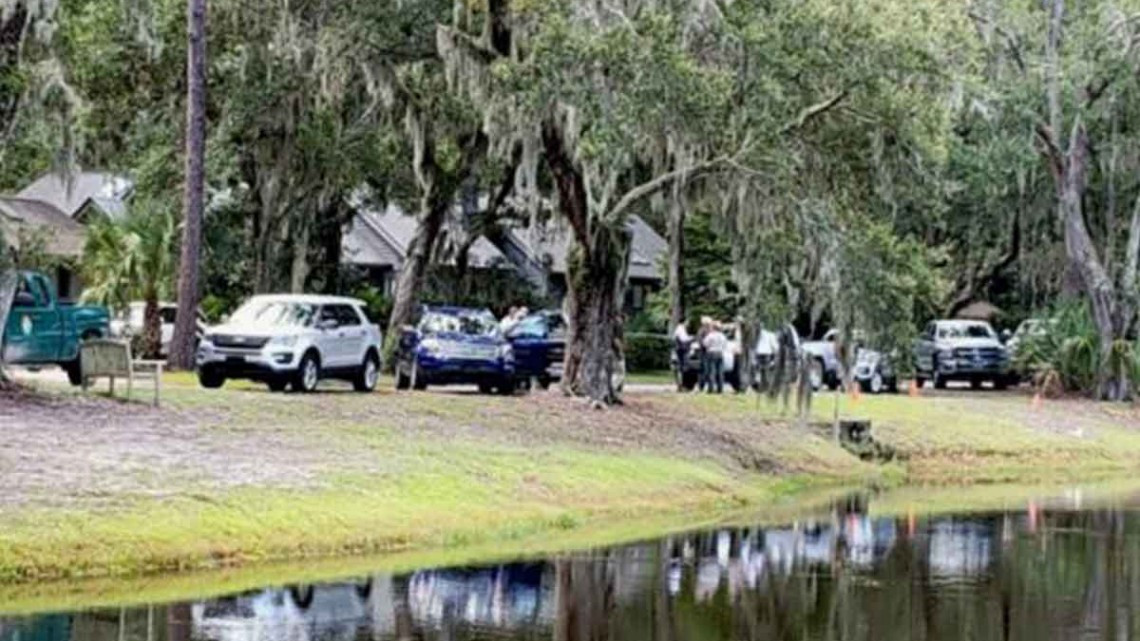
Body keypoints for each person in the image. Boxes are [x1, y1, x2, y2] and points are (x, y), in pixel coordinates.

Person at [703, 321, 728, 394]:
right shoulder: (723, 336)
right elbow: (725, 345)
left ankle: (711, 389)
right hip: (720, 353)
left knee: (712, 371)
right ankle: (720, 389)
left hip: (711, 353)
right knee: (720, 372)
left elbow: (705, 343)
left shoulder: (711, 335)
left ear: (713, 328)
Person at [672, 320, 692, 390]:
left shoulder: (679, 329)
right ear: (684, 322)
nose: (688, 324)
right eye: (687, 322)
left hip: (679, 350)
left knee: (680, 368)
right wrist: (691, 338)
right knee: (683, 368)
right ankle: (682, 384)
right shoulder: (681, 329)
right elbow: (684, 339)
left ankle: (680, 385)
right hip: (681, 351)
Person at [695, 317, 712, 393]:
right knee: (704, 370)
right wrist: (707, 345)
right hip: (704, 352)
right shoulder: (703, 331)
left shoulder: (705, 330)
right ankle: (701, 386)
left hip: (706, 352)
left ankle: (704, 386)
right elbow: (700, 341)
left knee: (706, 370)